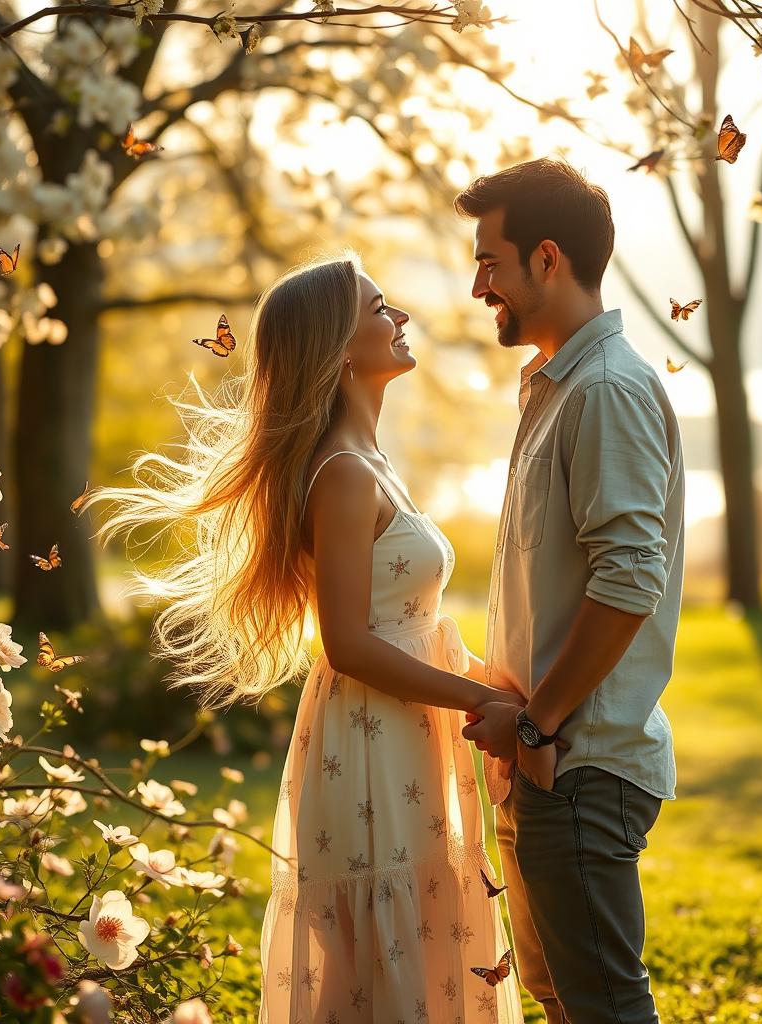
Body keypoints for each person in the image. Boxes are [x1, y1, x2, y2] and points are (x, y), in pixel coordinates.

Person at [84, 254, 525, 1023]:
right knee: (375, 966)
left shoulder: (373, 464)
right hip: (370, 742)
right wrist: (481, 699)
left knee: (413, 955)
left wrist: (512, 690)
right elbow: (350, 642)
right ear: (339, 346)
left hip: (402, 732)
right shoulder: (346, 474)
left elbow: (413, 629)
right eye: (381, 307)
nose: (403, 318)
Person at [456, 159, 686, 1024]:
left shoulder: (606, 390)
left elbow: (631, 580)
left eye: (490, 261)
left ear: (546, 259)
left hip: (577, 760)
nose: (479, 285)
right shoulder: (554, 388)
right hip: (542, 758)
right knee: (559, 998)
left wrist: (540, 720)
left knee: (602, 1007)